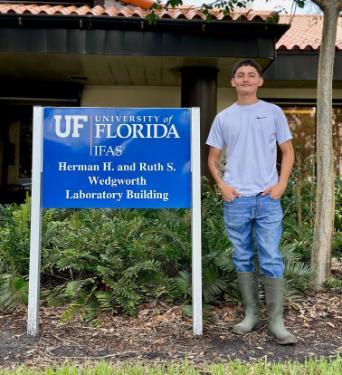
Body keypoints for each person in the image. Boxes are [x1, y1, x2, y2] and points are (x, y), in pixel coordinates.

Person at [206, 59, 297, 345]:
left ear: (260, 81)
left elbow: (288, 151)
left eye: (251, 75)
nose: (246, 79)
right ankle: (250, 315)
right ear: (233, 82)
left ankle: (277, 322)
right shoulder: (224, 118)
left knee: (270, 256)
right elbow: (212, 159)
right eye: (240, 75)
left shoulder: (273, 113)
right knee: (242, 256)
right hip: (237, 200)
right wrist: (223, 186)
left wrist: (281, 185)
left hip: (267, 199)